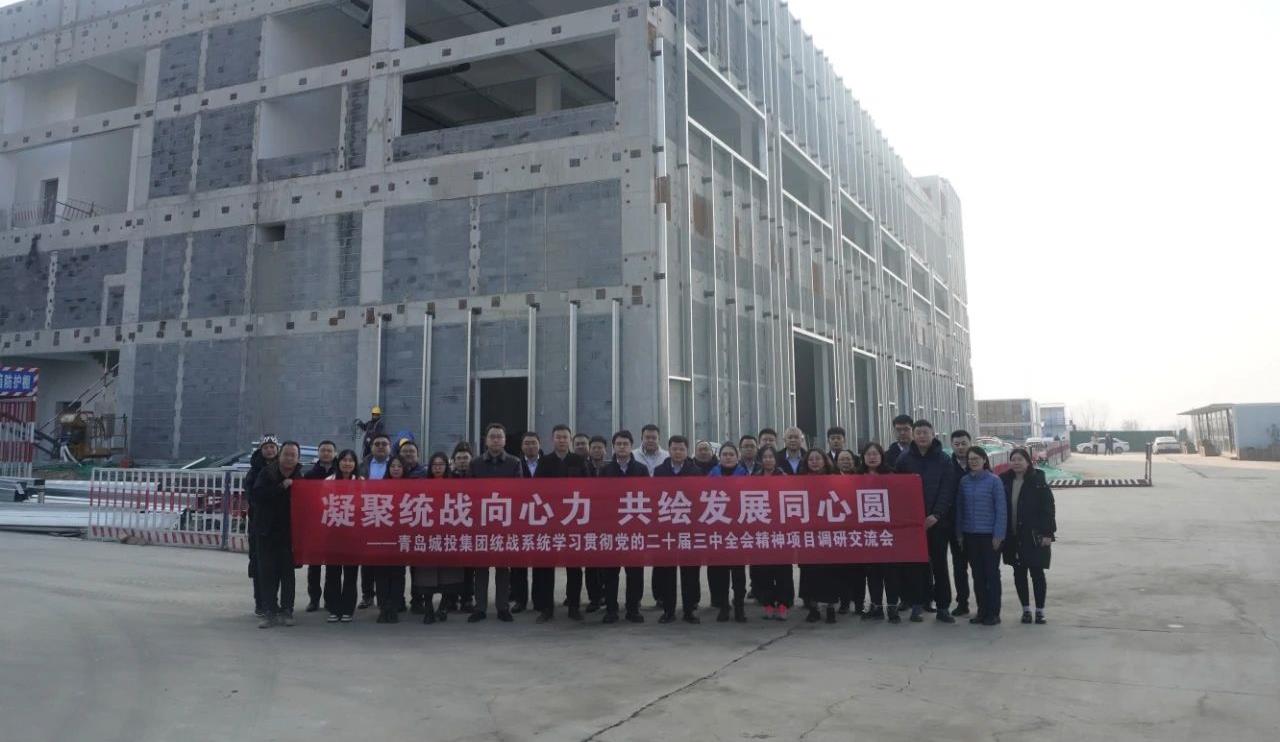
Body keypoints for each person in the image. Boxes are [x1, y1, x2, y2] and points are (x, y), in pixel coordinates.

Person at [895, 420, 958, 624]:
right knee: (916, 566)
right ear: (913, 436)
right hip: (913, 524)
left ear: (933, 435)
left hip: (938, 523)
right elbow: (897, 489)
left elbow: (948, 490)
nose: (922, 436)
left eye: (925, 433)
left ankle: (943, 607)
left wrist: (936, 515)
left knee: (940, 566)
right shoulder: (904, 459)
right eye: (918, 433)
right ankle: (917, 605)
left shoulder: (943, 459)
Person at [532, 424, 590, 622]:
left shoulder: (578, 461)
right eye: (558, 437)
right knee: (546, 567)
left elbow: (589, 488)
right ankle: (547, 608)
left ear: (570, 439)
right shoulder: (544, 461)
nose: (562, 440)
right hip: (550, 521)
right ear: (552, 439)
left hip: (573, 520)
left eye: (565, 437)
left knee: (574, 567)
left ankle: (573, 606)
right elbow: (536, 490)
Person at [469, 423, 522, 623]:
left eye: (499, 436)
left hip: (504, 522)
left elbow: (519, 493)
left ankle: (502, 607)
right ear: (486, 440)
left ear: (505, 440)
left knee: (503, 568)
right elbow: (468, 493)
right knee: (481, 568)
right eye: (492, 436)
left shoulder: (514, 463)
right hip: (481, 522)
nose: (496, 440)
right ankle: (480, 608)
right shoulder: (475, 464)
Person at [597, 430, 649, 623]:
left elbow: (647, 496)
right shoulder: (605, 470)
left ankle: (633, 609)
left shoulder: (641, 470)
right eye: (618, 444)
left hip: (634, 528)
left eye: (625, 444)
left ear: (631, 446)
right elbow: (600, 498)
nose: (622, 447)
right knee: (610, 573)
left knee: (635, 572)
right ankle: (611, 610)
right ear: (613, 447)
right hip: (611, 529)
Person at [1001, 448, 1057, 625]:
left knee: (1037, 573)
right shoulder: (1004, 480)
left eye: (1020, 459)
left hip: (1033, 536)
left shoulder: (1037, 481)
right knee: (1019, 574)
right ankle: (1025, 610)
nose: (1016, 462)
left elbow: (1048, 509)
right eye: (1013, 459)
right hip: (1013, 536)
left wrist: (1048, 533)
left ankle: (1040, 611)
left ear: (1028, 462)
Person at [652, 435, 703, 624]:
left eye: (681, 449)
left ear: (687, 451)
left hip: (689, 527)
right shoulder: (659, 471)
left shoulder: (696, 471)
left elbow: (700, 498)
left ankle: (689, 610)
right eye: (674, 449)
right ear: (669, 450)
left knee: (690, 571)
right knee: (667, 571)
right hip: (667, 527)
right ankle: (669, 610)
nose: (678, 452)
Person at [251, 440, 302, 628]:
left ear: (298, 458)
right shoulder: (267, 473)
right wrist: (281, 487)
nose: (289, 458)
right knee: (267, 572)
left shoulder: (301, 475)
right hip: (266, 531)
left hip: (290, 533)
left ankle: (287, 610)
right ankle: (269, 611)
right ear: (280, 455)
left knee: (287, 573)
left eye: (293, 455)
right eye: (286, 454)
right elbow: (257, 496)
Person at [412, 452, 467, 625]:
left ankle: (443, 606)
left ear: (446, 466)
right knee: (426, 574)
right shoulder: (422, 484)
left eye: (441, 464)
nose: (437, 468)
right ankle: (428, 608)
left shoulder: (454, 485)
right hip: (427, 534)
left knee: (449, 574)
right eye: (434, 465)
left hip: (448, 533)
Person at [956, 447, 1006, 626]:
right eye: (970, 459)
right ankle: (982, 611)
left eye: (977, 458)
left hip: (989, 536)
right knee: (977, 575)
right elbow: (960, 509)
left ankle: (994, 613)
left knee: (991, 574)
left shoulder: (994, 481)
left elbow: (1001, 510)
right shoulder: (964, 481)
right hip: (970, 535)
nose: (973, 462)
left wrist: (998, 535)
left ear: (985, 460)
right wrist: (959, 534)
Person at [705, 442, 750, 622]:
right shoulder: (712, 475)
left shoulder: (745, 475)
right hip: (718, 531)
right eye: (725, 454)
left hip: (739, 531)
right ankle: (723, 606)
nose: (728, 457)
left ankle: (739, 606)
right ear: (719, 457)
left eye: (731, 454)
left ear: (737, 457)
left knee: (738, 573)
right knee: (720, 573)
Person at [857, 442, 902, 623]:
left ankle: (892, 607)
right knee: (872, 572)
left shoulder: (892, 476)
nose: (872, 457)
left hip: (888, 532)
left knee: (890, 572)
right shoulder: (856, 477)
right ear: (863, 457)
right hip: (866, 532)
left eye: (875, 454)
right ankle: (876, 606)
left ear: (881, 456)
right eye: (868, 454)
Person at [751, 445, 793, 620]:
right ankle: (767, 603)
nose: (768, 460)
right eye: (765, 457)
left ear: (776, 459)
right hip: (760, 530)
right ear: (760, 460)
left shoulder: (784, 477)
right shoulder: (753, 478)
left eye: (771, 457)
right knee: (762, 570)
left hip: (780, 530)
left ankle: (783, 604)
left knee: (783, 570)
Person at [799, 449, 842, 623]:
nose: (815, 462)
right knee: (810, 572)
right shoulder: (799, 481)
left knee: (830, 571)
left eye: (818, 458)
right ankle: (813, 608)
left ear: (825, 461)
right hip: (808, 533)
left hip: (829, 532)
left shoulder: (835, 479)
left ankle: (831, 607)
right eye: (811, 459)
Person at [322, 449, 362, 623]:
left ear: (355, 464)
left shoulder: (361, 481)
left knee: (351, 574)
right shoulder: (329, 481)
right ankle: (333, 608)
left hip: (353, 534)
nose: (347, 463)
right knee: (333, 572)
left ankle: (348, 609)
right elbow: (322, 504)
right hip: (333, 533)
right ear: (338, 463)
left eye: (351, 460)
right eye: (344, 460)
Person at [356, 433, 393, 609]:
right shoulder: (362, 465)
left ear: (390, 447)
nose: (380, 447)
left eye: (384, 444)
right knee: (367, 560)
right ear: (371, 447)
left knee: (387, 559)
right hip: (367, 515)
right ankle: (367, 595)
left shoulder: (396, 464)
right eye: (377, 444)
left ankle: (387, 595)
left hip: (389, 516)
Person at [244, 435, 279, 617]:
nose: (270, 450)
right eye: (266, 447)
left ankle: (273, 602)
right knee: (258, 564)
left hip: (279, 524)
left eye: (272, 447)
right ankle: (260, 602)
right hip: (259, 523)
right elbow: (252, 496)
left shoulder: (284, 468)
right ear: (261, 450)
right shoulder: (254, 472)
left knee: (277, 566)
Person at [509, 431, 543, 614]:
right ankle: (520, 600)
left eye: (533, 443)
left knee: (541, 562)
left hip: (543, 517)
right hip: (520, 518)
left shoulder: (547, 463)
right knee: (518, 563)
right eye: (527, 443)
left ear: (539, 444)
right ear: (522, 447)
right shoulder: (515, 464)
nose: (530, 446)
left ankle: (539, 600)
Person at [303, 440, 338, 613]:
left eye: (329, 450)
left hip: (335, 523)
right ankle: (314, 599)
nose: (326, 453)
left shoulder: (340, 473)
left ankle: (331, 599)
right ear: (318, 452)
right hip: (316, 524)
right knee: (314, 565)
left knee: (333, 565)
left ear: (335, 453)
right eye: (323, 450)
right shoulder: (310, 474)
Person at [833, 449, 867, 616]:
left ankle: (859, 603)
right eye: (842, 459)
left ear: (854, 462)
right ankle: (844, 602)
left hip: (858, 532)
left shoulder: (861, 478)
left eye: (848, 459)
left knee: (859, 571)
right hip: (838, 532)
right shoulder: (829, 479)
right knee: (841, 571)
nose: (845, 462)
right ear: (837, 462)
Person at [946, 430, 975, 617]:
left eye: (964, 443)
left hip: (978, 525)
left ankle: (985, 603)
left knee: (979, 568)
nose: (961, 447)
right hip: (955, 524)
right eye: (957, 444)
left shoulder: (978, 463)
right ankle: (962, 602)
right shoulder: (947, 466)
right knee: (959, 566)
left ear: (970, 443)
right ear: (952, 446)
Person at [449, 441, 476, 613]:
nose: (462, 461)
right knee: (453, 566)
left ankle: (467, 598)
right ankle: (451, 598)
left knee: (468, 567)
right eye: (458, 458)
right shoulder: (448, 478)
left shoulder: (476, 477)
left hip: (470, 527)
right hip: (452, 527)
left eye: (465, 458)